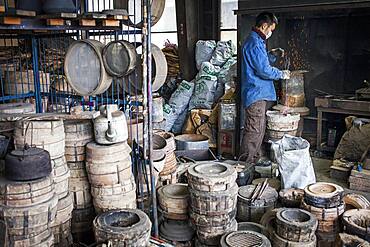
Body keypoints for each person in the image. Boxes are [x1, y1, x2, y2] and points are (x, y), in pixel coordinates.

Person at [240, 12, 291, 164]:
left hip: (260, 93)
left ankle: (252, 162)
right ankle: (244, 166)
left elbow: (261, 62)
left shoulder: (258, 42)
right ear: (264, 26)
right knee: (254, 131)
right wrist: (281, 73)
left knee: (259, 131)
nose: (271, 32)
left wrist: (272, 55)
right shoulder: (254, 42)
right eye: (271, 29)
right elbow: (263, 70)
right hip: (256, 94)